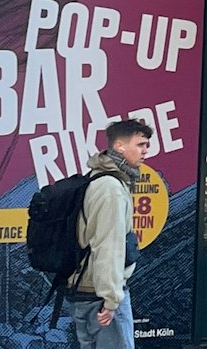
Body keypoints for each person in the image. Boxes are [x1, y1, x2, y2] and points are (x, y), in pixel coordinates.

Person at [68, 118, 152, 349]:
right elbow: (108, 246)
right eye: (140, 144)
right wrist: (111, 299)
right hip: (99, 297)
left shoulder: (100, 179)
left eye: (147, 145)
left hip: (86, 291)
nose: (146, 150)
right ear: (119, 146)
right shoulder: (111, 189)